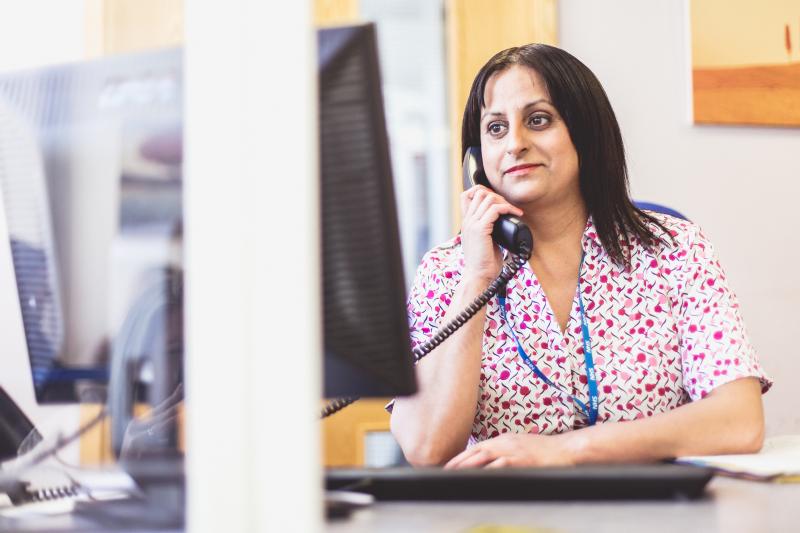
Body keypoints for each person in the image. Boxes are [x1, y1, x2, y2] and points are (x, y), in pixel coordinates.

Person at [389, 44, 771, 468]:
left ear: (585, 132)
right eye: (495, 128)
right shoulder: (447, 271)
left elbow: (740, 422)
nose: (515, 143)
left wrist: (567, 450)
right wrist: (477, 277)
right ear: (475, 161)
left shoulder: (674, 249)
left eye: (538, 120)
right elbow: (425, 448)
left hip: (654, 514)